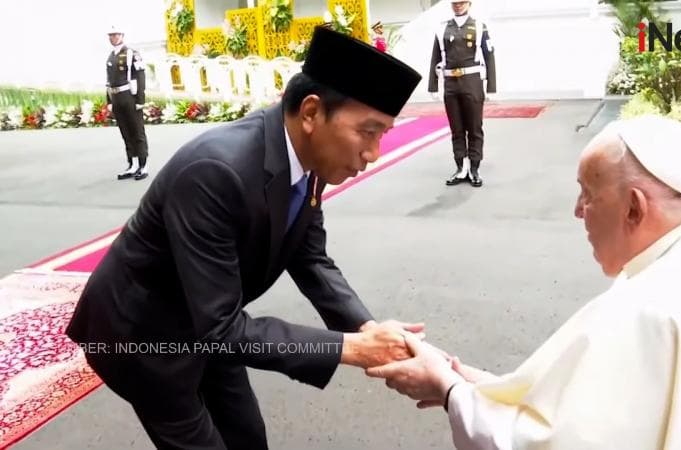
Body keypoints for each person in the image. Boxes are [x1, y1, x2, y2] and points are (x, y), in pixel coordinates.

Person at [67, 26, 424, 449]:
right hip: (144, 337)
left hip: (211, 320)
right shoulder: (216, 171)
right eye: (368, 132)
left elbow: (311, 260)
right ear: (311, 113)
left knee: (248, 437)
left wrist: (367, 328)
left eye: (383, 134)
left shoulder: (309, 160)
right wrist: (353, 348)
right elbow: (221, 329)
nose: (374, 153)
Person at [367, 115, 681, 450]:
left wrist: (448, 390)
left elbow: (550, 442)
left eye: (588, 194)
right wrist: (476, 382)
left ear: (634, 207)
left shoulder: (647, 309)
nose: (577, 210)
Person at [428, 0, 496, 187]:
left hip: (472, 83)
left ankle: (474, 168)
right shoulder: (442, 29)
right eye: (455, 3)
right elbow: (435, 57)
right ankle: (461, 168)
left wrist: (491, 86)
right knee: (456, 130)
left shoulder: (479, 27)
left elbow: (489, 55)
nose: (458, 5)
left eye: (461, 2)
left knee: (474, 128)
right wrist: (433, 86)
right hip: (451, 84)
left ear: (469, 3)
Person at [105, 25, 149, 181]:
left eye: (116, 34)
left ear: (122, 35)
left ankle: (143, 165)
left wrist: (140, 100)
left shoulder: (131, 53)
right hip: (117, 97)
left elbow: (141, 76)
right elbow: (109, 81)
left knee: (137, 131)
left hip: (129, 96)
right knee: (126, 133)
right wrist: (109, 100)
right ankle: (132, 163)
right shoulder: (111, 56)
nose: (113, 37)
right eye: (111, 35)